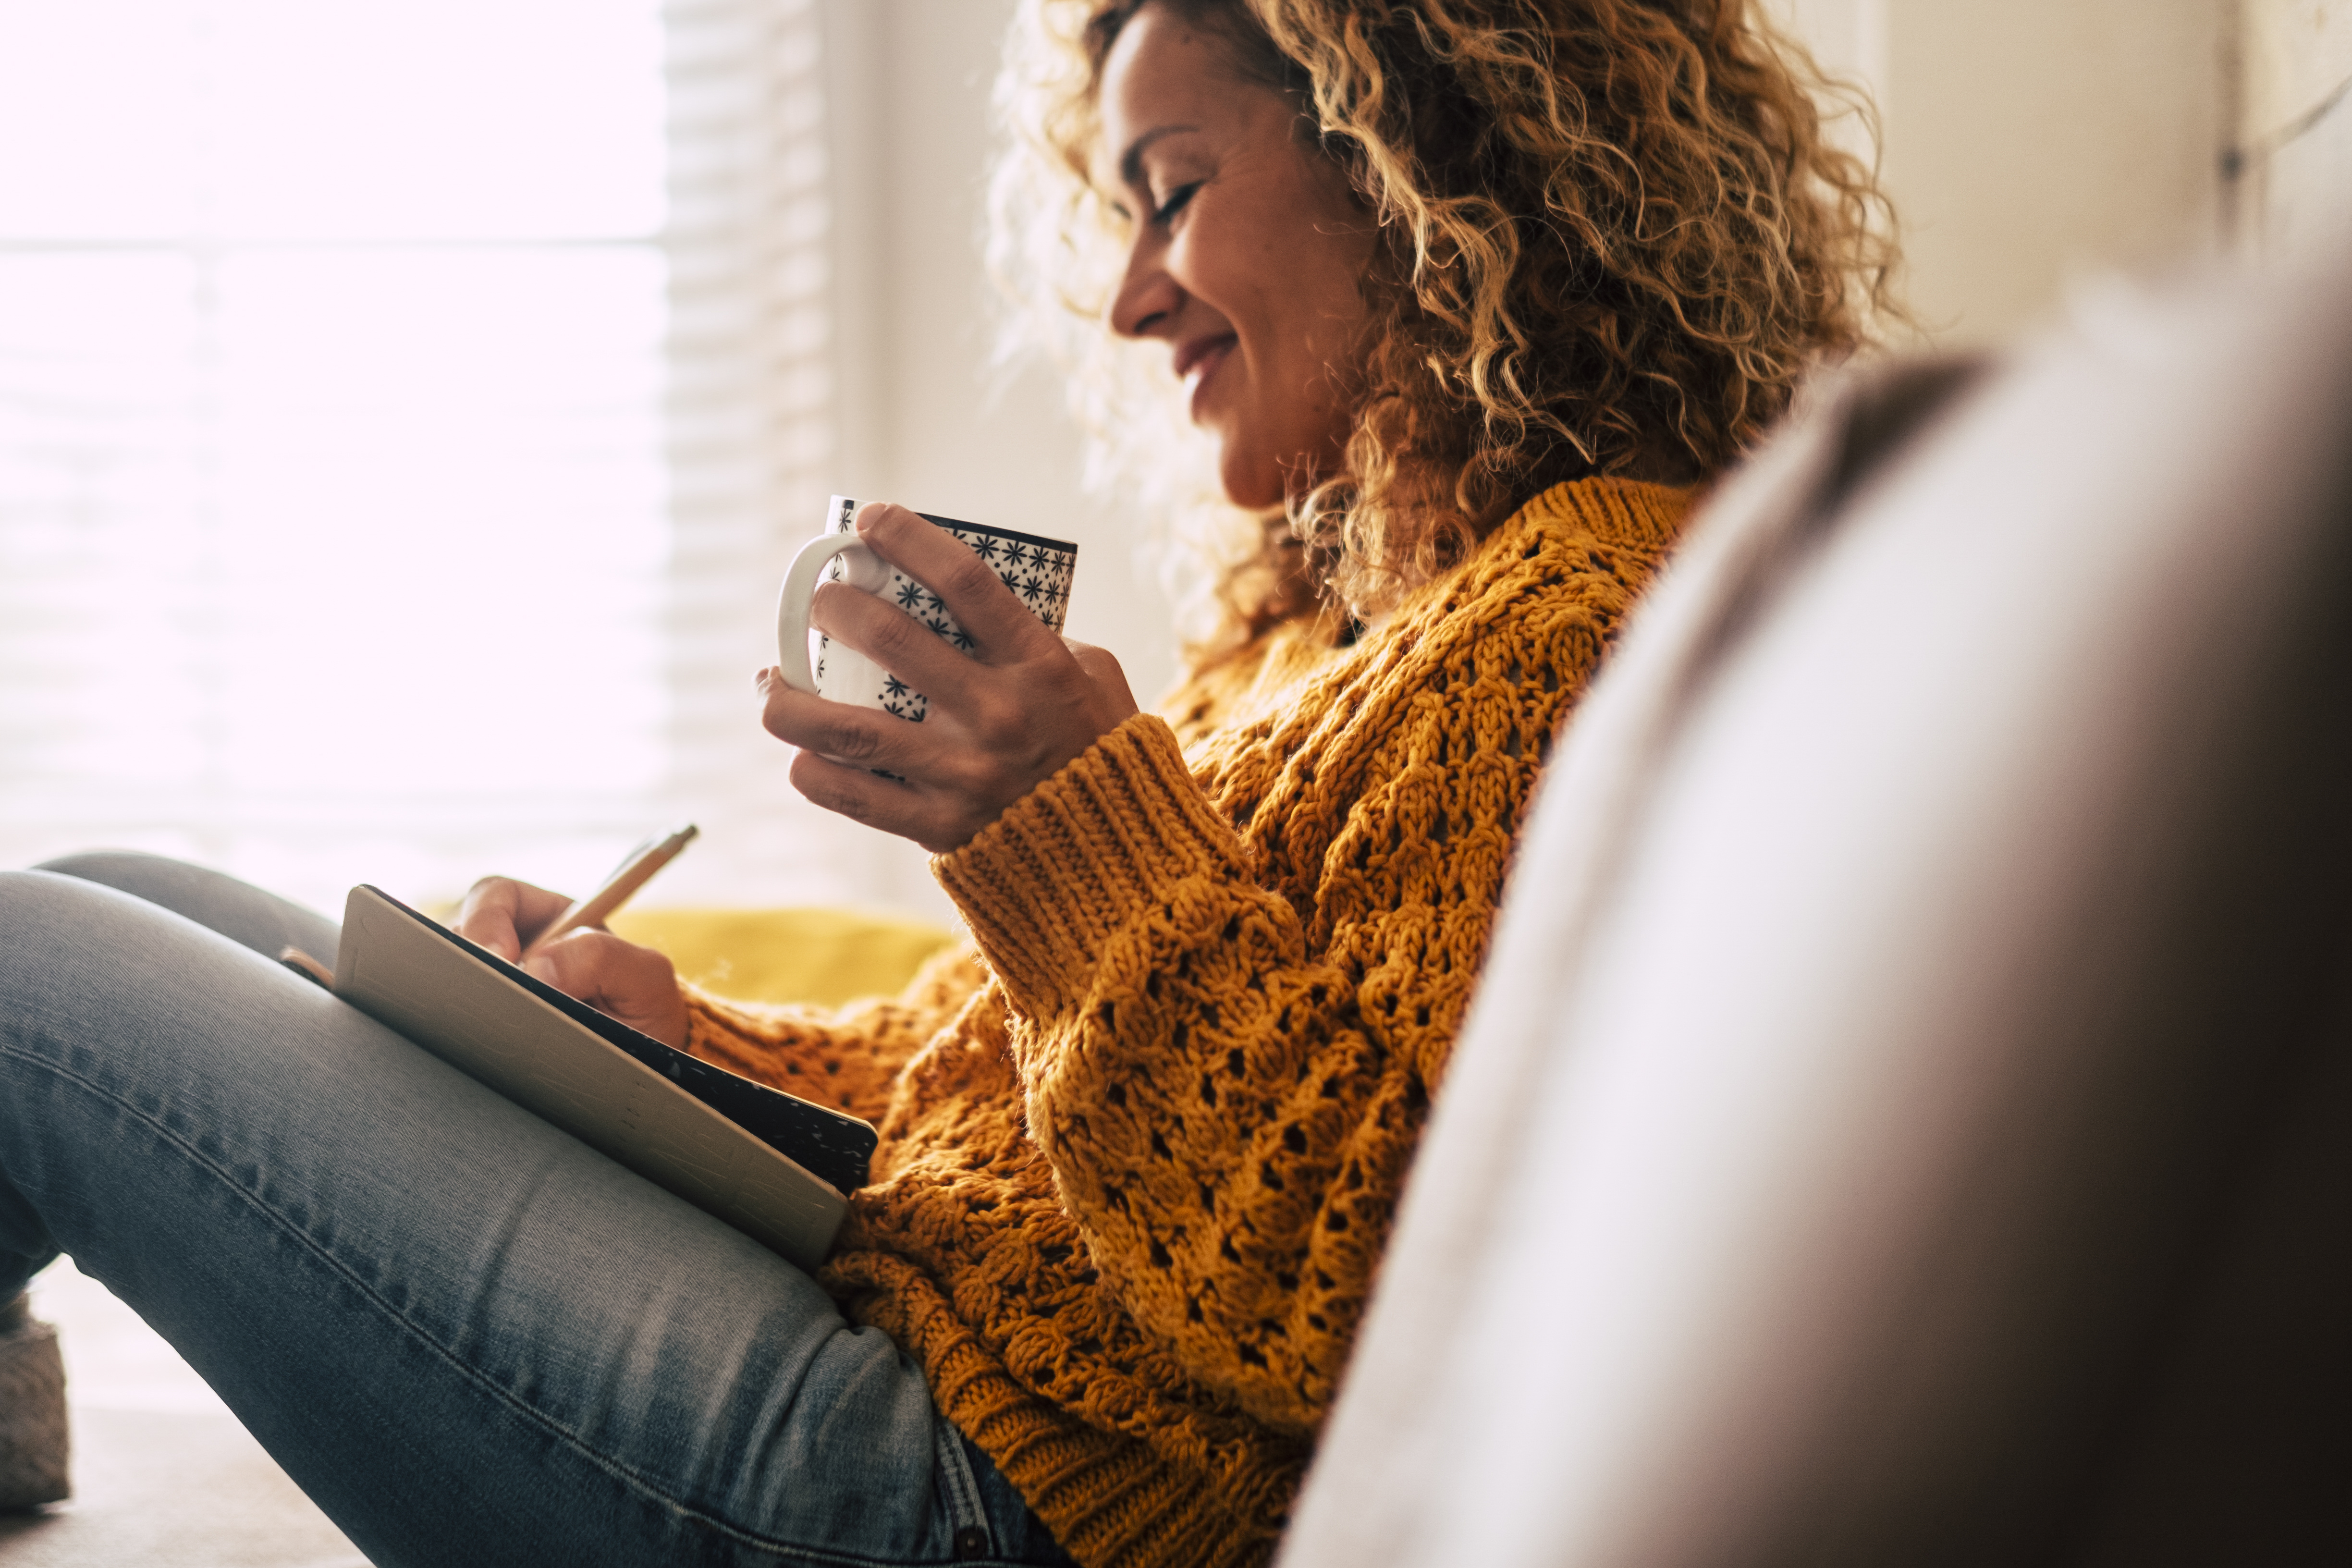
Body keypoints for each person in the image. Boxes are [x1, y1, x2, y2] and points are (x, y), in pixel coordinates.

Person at [0, 2, 1892, 1565]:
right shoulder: (1339, 618)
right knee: (128, 893)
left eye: (1176, 194)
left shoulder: (1579, 618)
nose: (1135, 300)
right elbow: (993, 1106)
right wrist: (684, 1044)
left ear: (1418, 161)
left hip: (979, 1502)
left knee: (29, 978)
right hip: (943, 1350)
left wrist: (1074, 835)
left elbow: (1372, 1314)